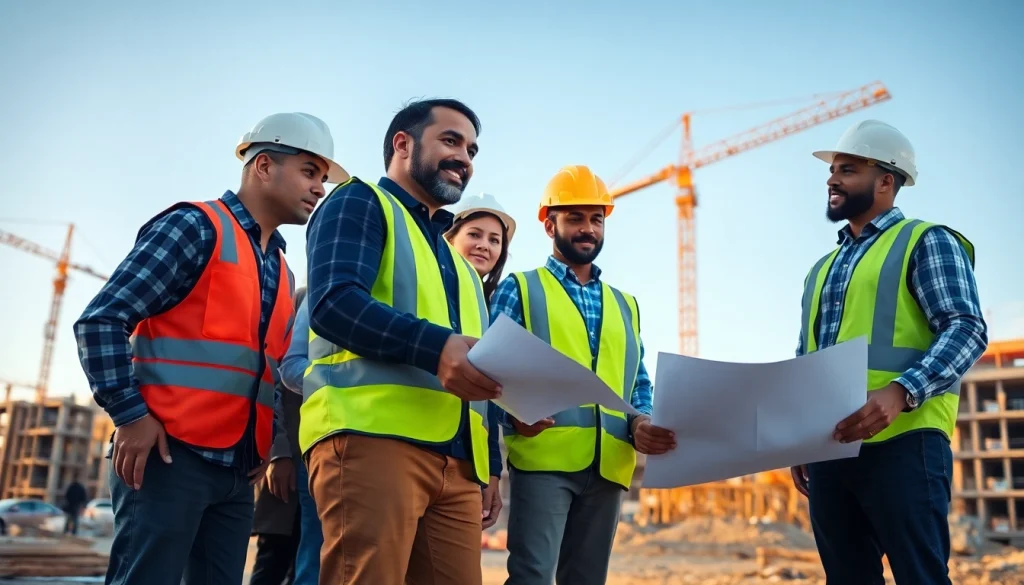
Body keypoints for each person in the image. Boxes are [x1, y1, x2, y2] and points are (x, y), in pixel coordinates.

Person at [73, 112, 347, 585]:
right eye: (309, 172)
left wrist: (264, 441)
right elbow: (100, 320)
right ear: (263, 165)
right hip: (166, 457)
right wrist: (131, 417)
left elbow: (268, 369)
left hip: (237, 470)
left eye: (322, 178)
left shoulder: (283, 271)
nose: (319, 188)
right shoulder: (195, 227)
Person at [301, 98, 500, 585]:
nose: (465, 158)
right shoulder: (359, 200)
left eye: (472, 149)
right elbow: (333, 304)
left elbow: (475, 363)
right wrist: (435, 347)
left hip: (457, 464)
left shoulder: (460, 267)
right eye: (451, 141)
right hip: (372, 441)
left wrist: (490, 462)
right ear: (402, 144)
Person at [791, 119, 988, 584]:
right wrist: (797, 436)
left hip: (906, 444)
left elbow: (966, 328)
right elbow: (806, 359)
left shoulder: (926, 241)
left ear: (886, 181)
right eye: (833, 169)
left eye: (848, 168)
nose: (832, 178)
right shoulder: (821, 269)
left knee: (920, 577)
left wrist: (902, 392)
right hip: (830, 451)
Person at [489, 164, 676, 585]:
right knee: (532, 576)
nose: (588, 228)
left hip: (610, 465)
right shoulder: (521, 288)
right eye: (575, 217)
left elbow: (638, 384)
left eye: (597, 219)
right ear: (548, 223)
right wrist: (511, 416)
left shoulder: (625, 304)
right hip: (545, 460)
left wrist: (641, 422)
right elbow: (487, 374)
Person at [444, 191, 518, 530]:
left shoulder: (487, 315)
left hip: (463, 462)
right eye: (474, 234)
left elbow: (486, 406)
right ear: (450, 237)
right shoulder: (425, 289)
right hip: (410, 449)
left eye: (495, 240)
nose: (484, 246)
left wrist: (491, 470)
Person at [249, 287, 311, 585]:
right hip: (291, 461)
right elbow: (272, 376)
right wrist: (279, 452)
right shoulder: (302, 299)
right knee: (274, 559)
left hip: (329, 459)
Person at [278, 287, 322, 585]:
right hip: (325, 445)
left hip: (413, 449)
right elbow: (288, 366)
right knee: (315, 554)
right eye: (474, 234)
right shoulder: (314, 291)